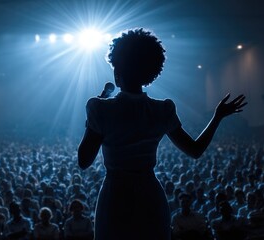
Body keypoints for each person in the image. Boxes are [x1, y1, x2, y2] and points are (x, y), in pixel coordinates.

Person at [78, 28, 247, 240]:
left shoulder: (99, 108)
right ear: (150, 72)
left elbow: (84, 160)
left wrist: (93, 115)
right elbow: (195, 150)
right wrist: (217, 116)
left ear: (117, 71)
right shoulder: (162, 110)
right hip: (151, 196)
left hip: (115, 196)